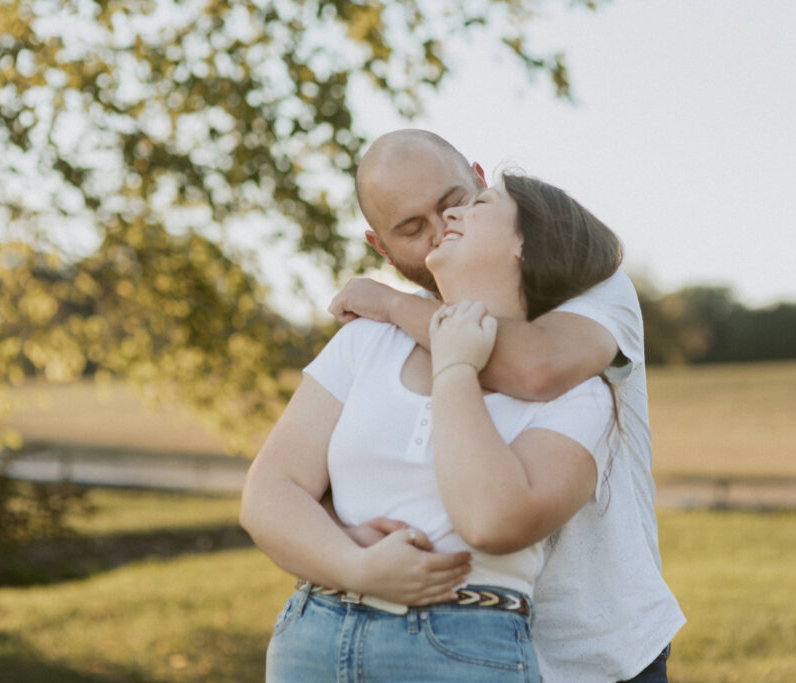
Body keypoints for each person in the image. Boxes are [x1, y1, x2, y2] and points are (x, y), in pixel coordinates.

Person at [327, 130, 685, 682]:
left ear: (478, 177)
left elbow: (537, 369)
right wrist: (343, 540)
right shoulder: (383, 338)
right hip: (457, 656)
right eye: (411, 228)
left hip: (601, 655)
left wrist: (393, 304)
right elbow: (331, 470)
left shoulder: (592, 290)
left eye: (452, 205)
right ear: (381, 247)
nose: (439, 230)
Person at [242, 171, 627, 681]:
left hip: (459, 645)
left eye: (479, 203)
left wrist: (456, 368)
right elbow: (267, 493)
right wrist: (354, 566)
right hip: (312, 633)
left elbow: (491, 521)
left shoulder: (579, 392)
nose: (449, 217)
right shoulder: (367, 341)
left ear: (525, 244)